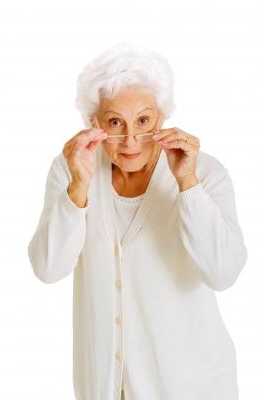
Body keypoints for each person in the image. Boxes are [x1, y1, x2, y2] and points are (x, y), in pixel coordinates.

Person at [27, 42, 248, 400]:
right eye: (116, 122)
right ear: (93, 123)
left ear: (162, 117)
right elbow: (48, 268)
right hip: (105, 388)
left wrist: (187, 185)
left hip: (194, 387)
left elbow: (223, 273)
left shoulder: (205, 173)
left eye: (143, 121)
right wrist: (78, 189)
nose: (130, 140)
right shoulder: (72, 169)